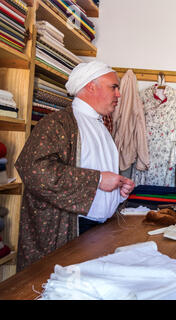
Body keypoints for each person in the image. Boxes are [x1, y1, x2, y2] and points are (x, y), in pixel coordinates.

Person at [15, 61, 135, 271]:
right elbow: (33, 169)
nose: (119, 95)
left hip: (98, 231)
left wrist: (118, 192)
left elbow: (101, 178)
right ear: (91, 86)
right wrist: (97, 179)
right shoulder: (57, 123)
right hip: (69, 230)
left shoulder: (101, 126)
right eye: (113, 87)